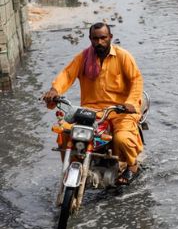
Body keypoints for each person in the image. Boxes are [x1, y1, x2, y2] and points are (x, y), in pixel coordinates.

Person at [42, 23, 144, 185]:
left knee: (122, 139)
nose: (100, 42)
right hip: (91, 111)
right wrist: (54, 90)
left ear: (110, 38)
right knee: (64, 134)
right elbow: (67, 74)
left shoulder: (123, 56)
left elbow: (136, 81)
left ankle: (133, 167)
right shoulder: (83, 58)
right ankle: (72, 167)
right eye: (95, 38)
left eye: (103, 38)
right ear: (90, 39)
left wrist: (130, 103)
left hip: (120, 111)